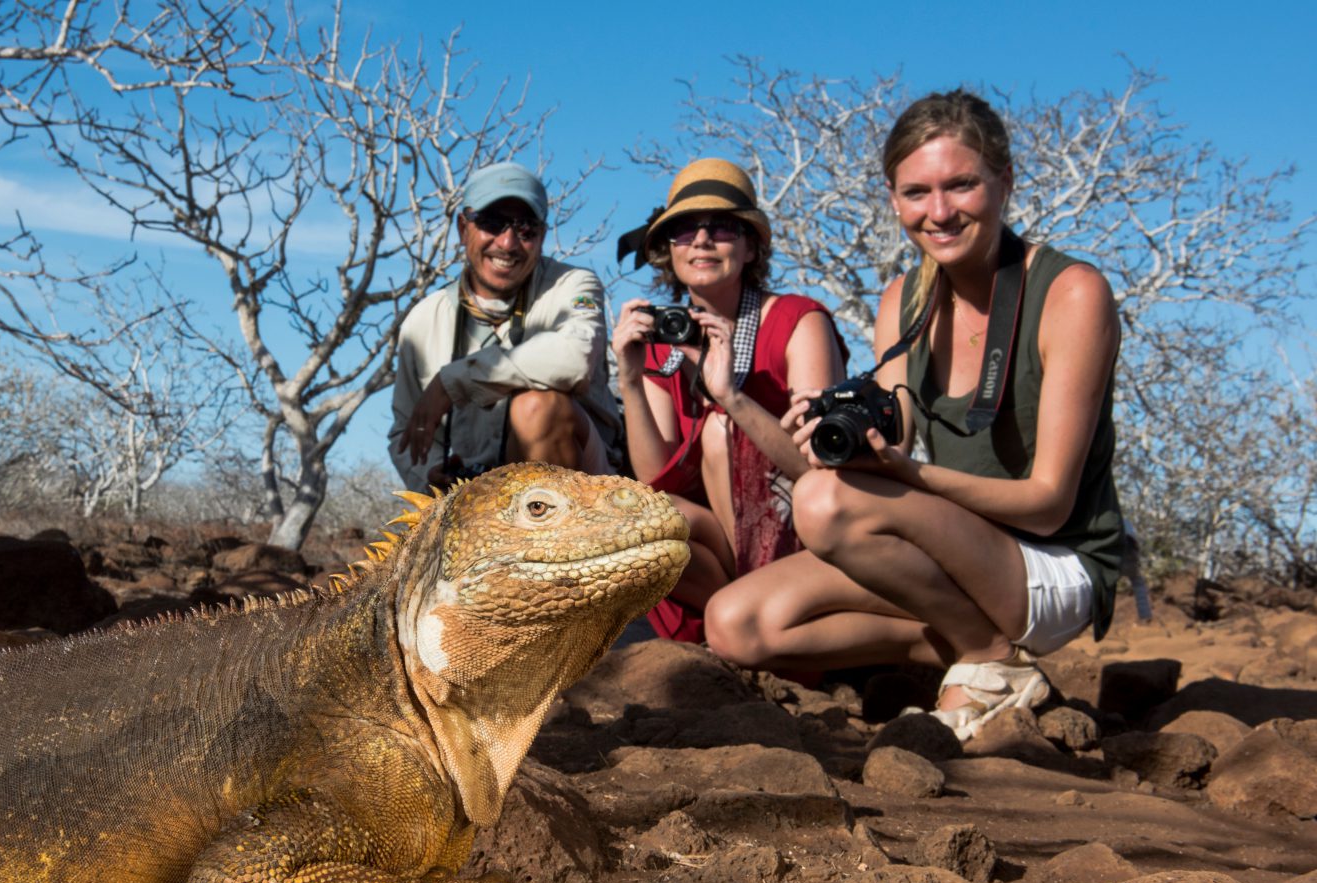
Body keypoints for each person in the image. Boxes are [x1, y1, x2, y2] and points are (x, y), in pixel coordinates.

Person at [705, 90, 1125, 741]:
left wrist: (908, 477)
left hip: (1053, 563)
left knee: (824, 505)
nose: (938, 212)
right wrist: (834, 427)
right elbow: (893, 423)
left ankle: (985, 656)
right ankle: (978, 652)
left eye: (961, 186)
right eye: (916, 192)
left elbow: (1047, 502)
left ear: (1004, 182)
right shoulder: (903, 298)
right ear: (894, 198)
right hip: (959, 548)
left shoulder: (1072, 293)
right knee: (736, 622)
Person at [610, 158, 847, 653]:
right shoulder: (663, 344)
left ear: (750, 245)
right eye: (682, 230)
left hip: (800, 535)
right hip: (721, 548)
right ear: (665, 249)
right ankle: (732, 625)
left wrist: (731, 398)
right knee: (642, 520)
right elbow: (654, 476)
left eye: (721, 227)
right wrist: (631, 378)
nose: (701, 240)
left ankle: (758, 618)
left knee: (721, 434)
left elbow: (826, 472)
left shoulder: (798, 320)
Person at [390, 162, 621, 491]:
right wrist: (430, 478)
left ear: (541, 234)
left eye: (525, 228)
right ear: (462, 227)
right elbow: (405, 431)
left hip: (589, 487)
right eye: (492, 223)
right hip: (481, 494)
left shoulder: (574, 285)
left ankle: (554, 542)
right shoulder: (424, 318)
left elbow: (575, 357)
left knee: (539, 407)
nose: (508, 243)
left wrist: (454, 380)